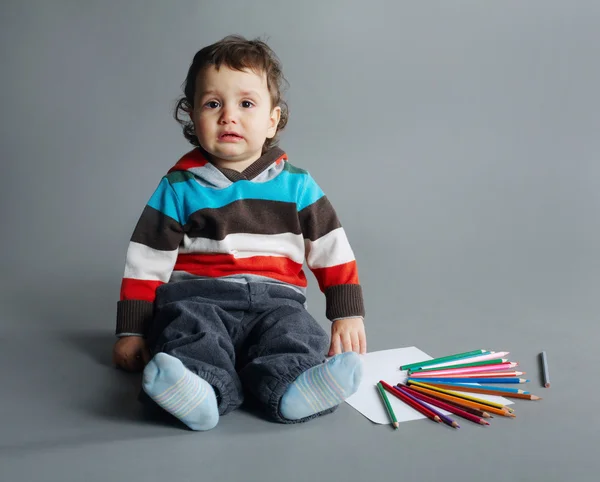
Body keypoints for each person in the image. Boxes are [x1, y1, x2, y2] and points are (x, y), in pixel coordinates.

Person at [112, 35, 366, 430]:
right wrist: (132, 330)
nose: (228, 115)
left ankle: (293, 387)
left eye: (246, 104)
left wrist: (347, 312)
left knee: (296, 334)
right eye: (213, 104)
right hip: (199, 299)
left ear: (272, 119)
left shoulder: (298, 186)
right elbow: (147, 260)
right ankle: (197, 390)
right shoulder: (180, 186)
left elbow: (332, 249)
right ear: (193, 117)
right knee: (189, 334)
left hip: (277, 302)